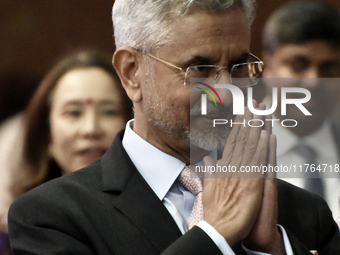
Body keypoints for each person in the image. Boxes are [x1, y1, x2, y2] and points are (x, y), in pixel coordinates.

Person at [8, 1, 340, 254]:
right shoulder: (51, 217)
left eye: (238, 66)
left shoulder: (302, 214)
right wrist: (214, 235)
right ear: (131, 72)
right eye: (200, 68)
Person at [0, 50, 132, 236]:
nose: (90, 129)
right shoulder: (16, 233)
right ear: (47, 135)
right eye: (74, 113)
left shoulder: (160, 212)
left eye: (109, 112)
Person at [262, 0, 340, 223]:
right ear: (268, 64)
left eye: (329, 68)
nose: (314, 82)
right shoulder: (222, 153)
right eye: (298, 64)